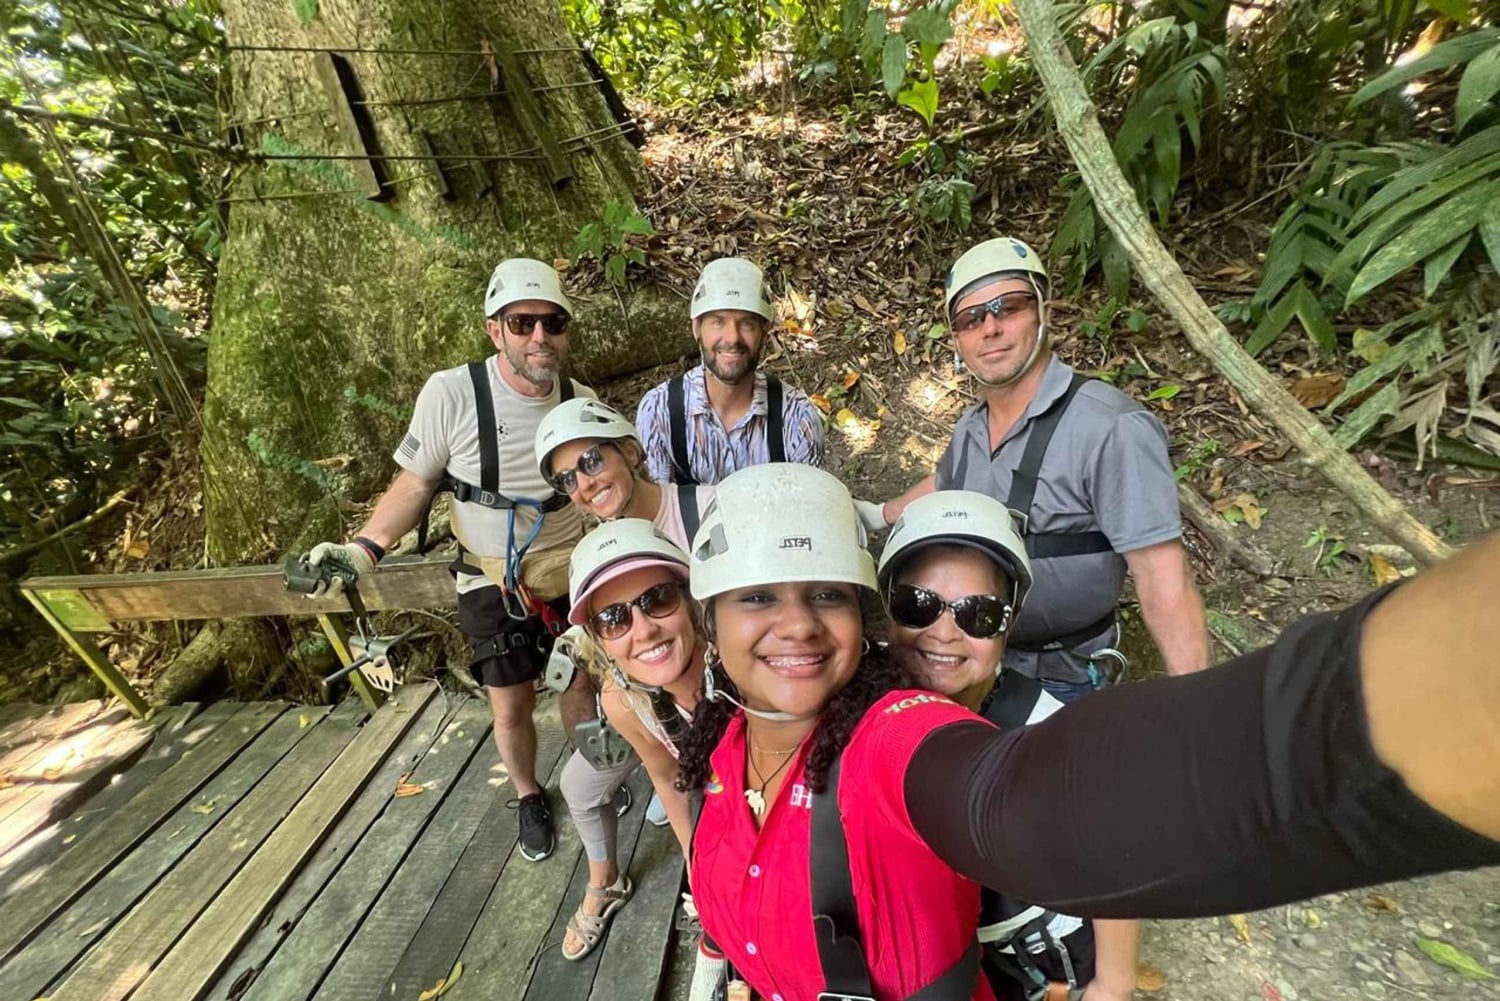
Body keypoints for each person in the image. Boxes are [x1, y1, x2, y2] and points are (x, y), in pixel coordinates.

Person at [677, 462, 1500, 1001]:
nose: (798, 627)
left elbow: (1031, 801)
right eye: (757, 596)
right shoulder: (720, 744)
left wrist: (1379, 715)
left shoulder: (892, 735)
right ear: (711, 620)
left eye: (824, 594)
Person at [306, 257, 596, 863]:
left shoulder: (580, 399)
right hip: (488, 576)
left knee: (581, 681)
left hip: (569, 566)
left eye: (551, 321)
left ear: (566, 329)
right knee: (510, 700)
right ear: (495, 330)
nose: (538, 336)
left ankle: (593, 775)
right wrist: (364, 548)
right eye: (521, 322)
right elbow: (414, 485)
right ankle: (527, 793)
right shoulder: (452, 393)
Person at [869, 237, 1209, 700]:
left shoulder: (1109, 428)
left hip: (1062, 676)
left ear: (1043, 312)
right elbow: (945, 486)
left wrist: (1195, 705)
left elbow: (1162, 575)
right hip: (967, 660)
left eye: (1007, 306)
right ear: (957, 340)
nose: (989, 328)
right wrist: (878, 513)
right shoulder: (971, 428)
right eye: (970, 318)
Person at [880, 490, 1139, 1001]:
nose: (944, 634)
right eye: (918, 605)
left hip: (1030, 955)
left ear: (1010, 624)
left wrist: (1113, 984)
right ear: (885, 607)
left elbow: (1116, 856)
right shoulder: (867, 702)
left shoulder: (1046, 736)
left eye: (979, 615)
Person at [635, 257, 823, 486]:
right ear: (696, 328)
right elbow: (657, 509)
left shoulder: (796, 418)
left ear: (765, 331)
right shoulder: (659, 412)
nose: (733, 338)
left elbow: (810, 510)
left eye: (747, 324)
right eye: (718, 322)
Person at [535, 397, 715, 548]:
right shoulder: (599, 557)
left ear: (630, 452)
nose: (584, 485)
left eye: (591, 460)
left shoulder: (710, 508)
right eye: (566, 479)